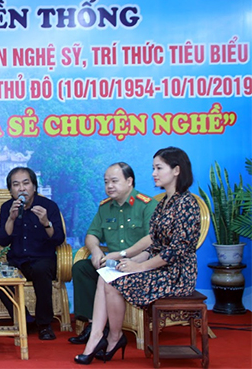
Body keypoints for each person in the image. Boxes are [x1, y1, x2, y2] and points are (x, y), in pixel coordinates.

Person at [75, 147, 200, 365]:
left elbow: (175, 250)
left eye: (158, 168)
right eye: (153, 168)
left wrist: (140, 267)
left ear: (176, 170)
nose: (153, 173)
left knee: (112, 282)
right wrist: (131, 261)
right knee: (106, 275)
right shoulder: (164, 203)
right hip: (158, 267)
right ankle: (98, 337)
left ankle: (113, 338)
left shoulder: (186, 203)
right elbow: (154, 243)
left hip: (176, 275)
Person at [69, 163, 157, 344]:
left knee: (108, 275)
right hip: (112, 264)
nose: (109, 186)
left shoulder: (147, 205)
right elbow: (92, 235)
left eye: (114, 181)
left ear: (129, 181)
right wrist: (95, 251)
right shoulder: (105, 207)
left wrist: (124, 255)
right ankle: (94, 325)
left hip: (139, 264)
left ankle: (112, 331)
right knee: (82, 268)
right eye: (106, 182)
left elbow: (152, 239)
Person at [0, 167, 65, 340]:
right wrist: (11, 218)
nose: (21, 188)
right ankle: (25, 320)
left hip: (42, 259)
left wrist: (46, 222)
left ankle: (44, 324)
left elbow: (58, 239)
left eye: (26, 183)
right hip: (17, 261)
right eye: (16, 184)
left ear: (34, 187)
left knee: (41, 270)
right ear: (10, 190)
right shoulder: (7, 207)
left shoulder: (48, 206)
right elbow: (3, 240)